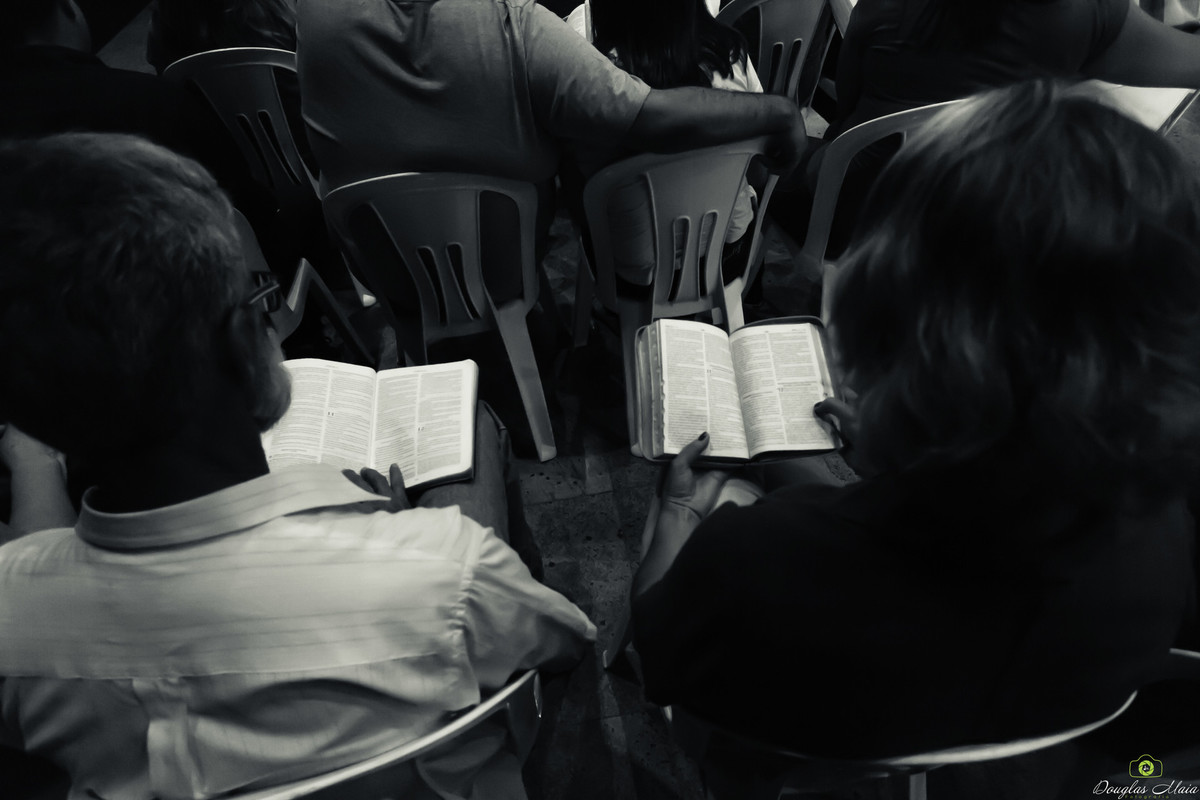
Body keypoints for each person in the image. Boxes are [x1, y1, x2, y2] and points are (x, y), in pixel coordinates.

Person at [0, 132, 595, 800]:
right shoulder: (442, 571)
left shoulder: (12, 615)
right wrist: (396, 531)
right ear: (235, 345)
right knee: (475, 429)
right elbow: (564, 646)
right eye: (257, 296)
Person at [631, 81, 1200, 761]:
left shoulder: (754, 563)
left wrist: (678, 516)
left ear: (887, 323)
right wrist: (907, 456)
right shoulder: (1162, 539)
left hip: (781, 741)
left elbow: (656, 655)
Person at [295, 0, 807, 248]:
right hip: (727, 243)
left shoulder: (313, 15)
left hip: (379, 254)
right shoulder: (517, 25)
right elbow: (658, 118)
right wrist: (780, 113)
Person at [565, 0, 763, 284]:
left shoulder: (597, 77)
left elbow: (580, 193)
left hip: (633, 275)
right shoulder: (731, 53)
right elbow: (759, 162)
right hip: (728, 256)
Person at [146, 0, 296, 73]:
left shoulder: (164, 19)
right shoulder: (273, 15)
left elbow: (162, 71)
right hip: (290, 126)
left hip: (203, 128)